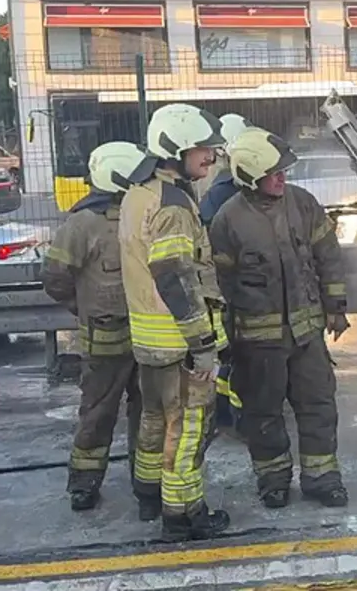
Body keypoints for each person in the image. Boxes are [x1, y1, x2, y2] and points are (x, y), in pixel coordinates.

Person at [208, 128, 350, 510]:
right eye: (274, 172)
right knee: (263, 412)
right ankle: (273, 479)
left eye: (284, 170)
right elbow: (219, 284)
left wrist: (335, 306)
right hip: (257, 342)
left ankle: (323, 477)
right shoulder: (228, 220)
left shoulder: (303, 204)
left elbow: (328, 256)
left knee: (319, 404)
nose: (282, 178)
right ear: (251, 176)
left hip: (307, 336)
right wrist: (225, 339)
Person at [119, 103, 230, 540]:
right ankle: (184, 514)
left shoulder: (138, 193)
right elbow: (175, 278)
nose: (211, 158)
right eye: (204, 150)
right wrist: (202, 342)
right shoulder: (174, 205)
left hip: (150, 339)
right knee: (187, 431)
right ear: (177, 149)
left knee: (153, 419)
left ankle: (148, 493)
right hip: (181, 341)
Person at [42, 141, 148, 512]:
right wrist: (84, 306)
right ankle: (84, 483)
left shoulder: (147, 214)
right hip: (105, 340)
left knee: (148, 412)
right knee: (98, 412)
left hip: (150, 338)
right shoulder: (83, 224)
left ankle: (147, 481)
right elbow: (55, 277)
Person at [199, 113, 254, 437]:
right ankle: (236, 416)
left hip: (224, 283)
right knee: (233, 355)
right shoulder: (226, 191)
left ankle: (225, 412)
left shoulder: (218, 187)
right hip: (229, 284)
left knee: (228, 355)